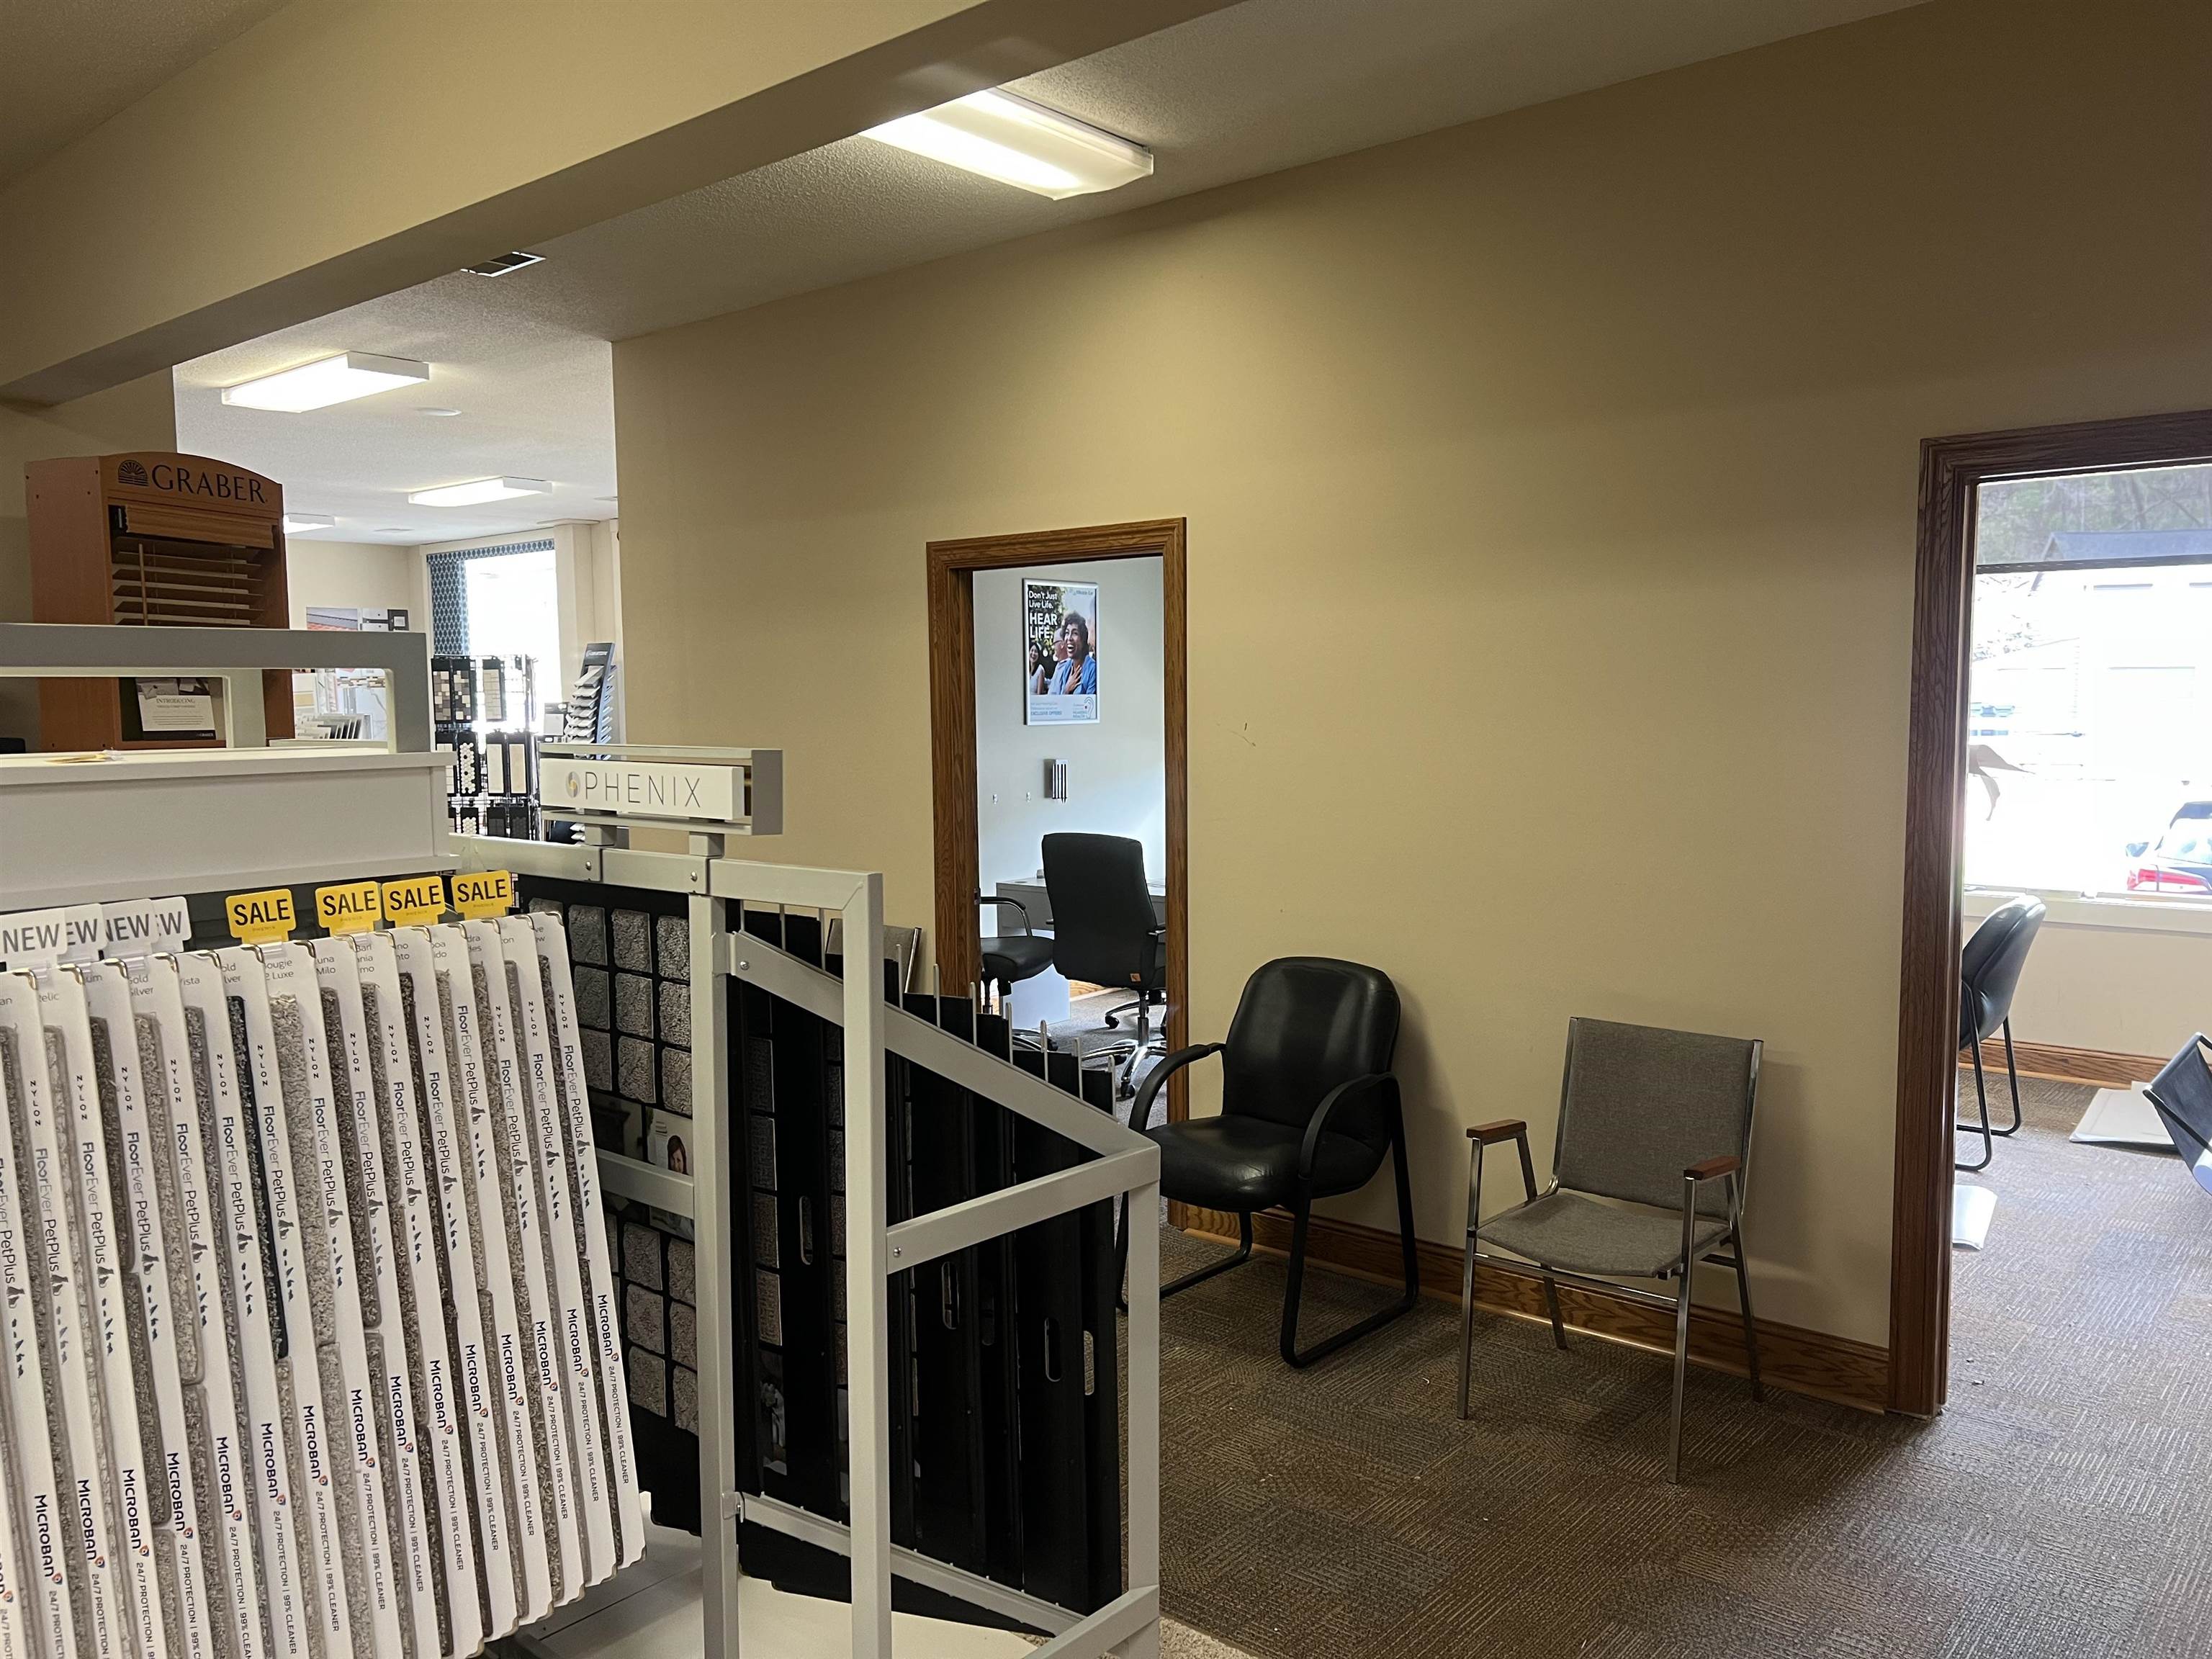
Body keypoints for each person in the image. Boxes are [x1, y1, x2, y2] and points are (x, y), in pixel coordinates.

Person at [1030, 611, 1097, 696]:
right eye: (1067, 633)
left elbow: (1091, 703)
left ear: (1083, 639)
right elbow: (1060, 699)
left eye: (1075, 633)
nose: (1069, 638)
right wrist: (1067, 689)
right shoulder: (1067, 666)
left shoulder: (1093, 669)